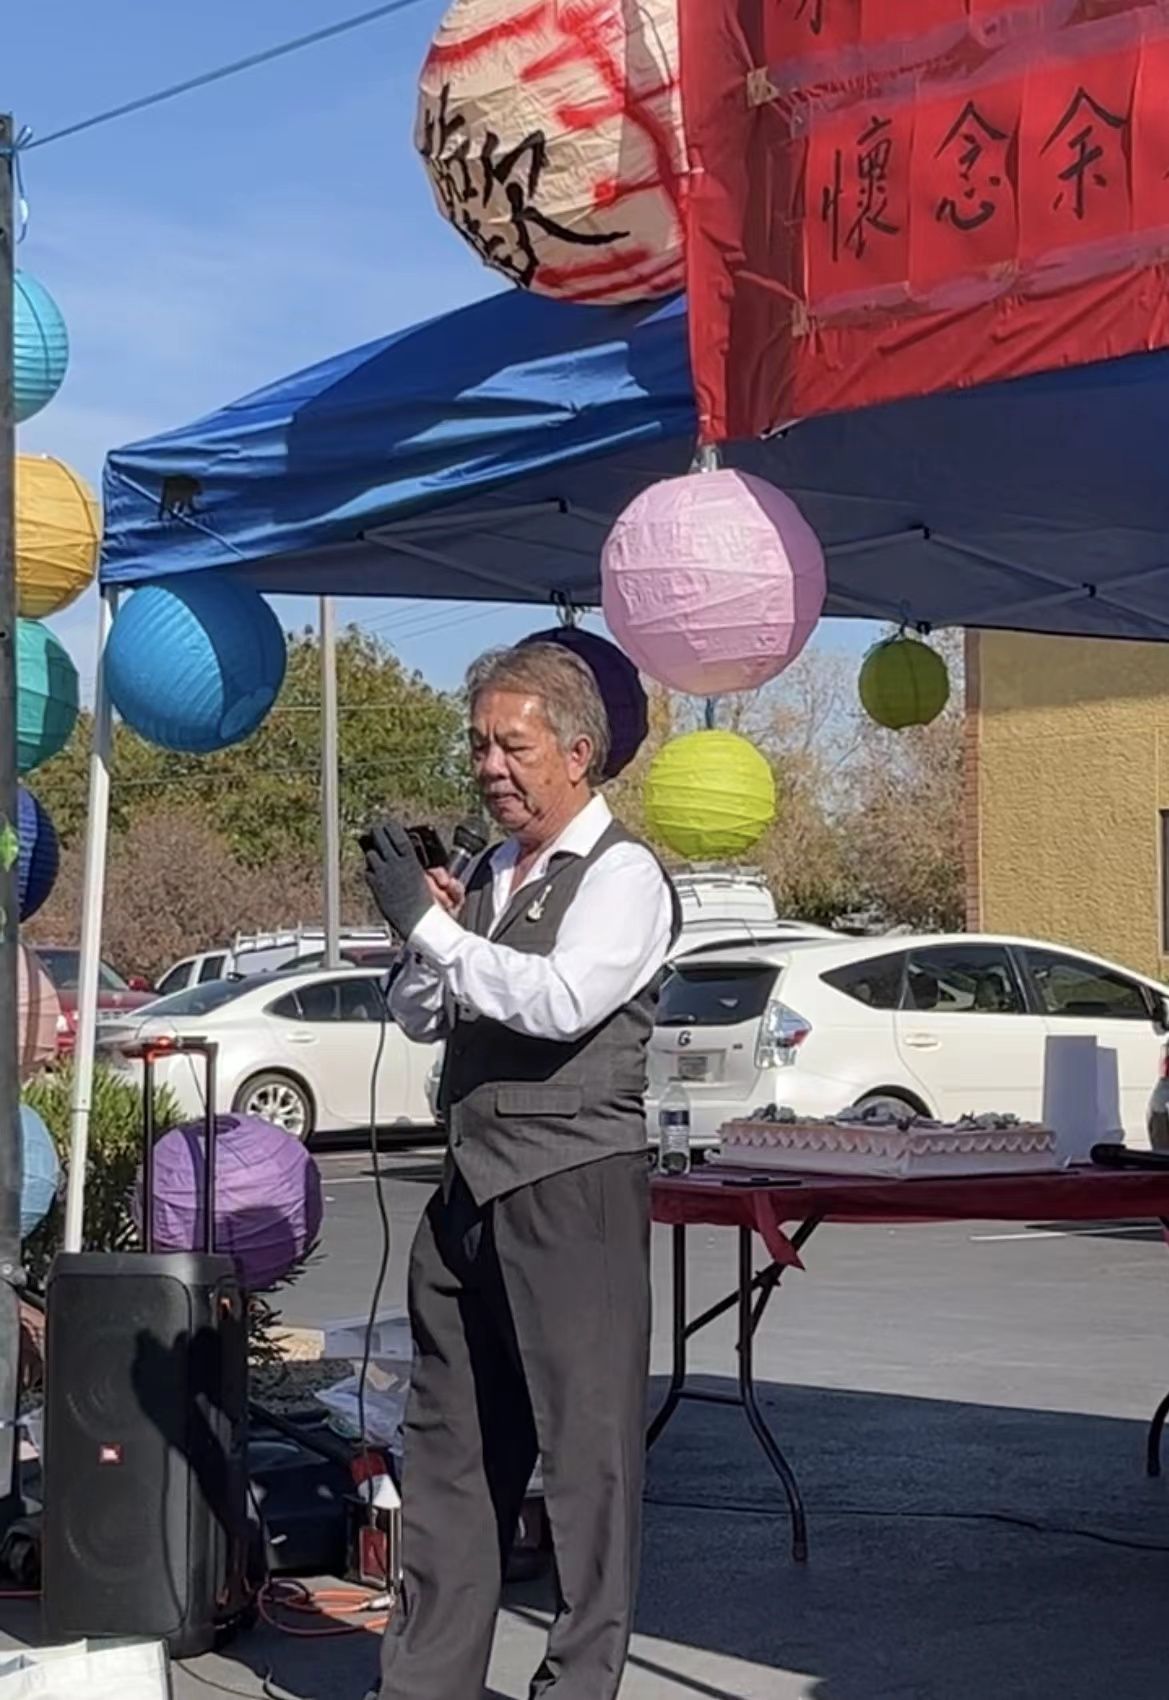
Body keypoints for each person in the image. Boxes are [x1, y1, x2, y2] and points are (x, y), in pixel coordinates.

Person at [363, 641, 679, 1700]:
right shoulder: (494, 872)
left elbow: (560, 1002)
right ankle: (425, 1683)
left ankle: (576, 1684)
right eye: (478, 746)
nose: (490, 766)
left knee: (585, 1462)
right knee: (449, 1450)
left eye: (513, 745)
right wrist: (425, 935)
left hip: (572, 1185)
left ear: (578, 754)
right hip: (469, 1188)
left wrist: (434, 929)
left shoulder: (623, 874)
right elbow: (424, 1016)